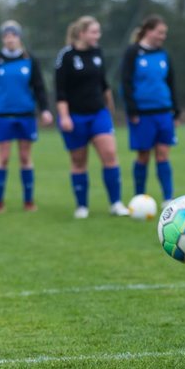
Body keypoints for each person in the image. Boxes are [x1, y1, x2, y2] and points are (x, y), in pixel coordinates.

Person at [55, 15, 128, 218]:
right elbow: (60, 91)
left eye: (98, 31)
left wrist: (110, 110)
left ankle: (116, 203)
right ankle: (82, 206)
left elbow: (104, 85)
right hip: (75, 116)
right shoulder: (66, 56)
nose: (98, 35)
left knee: (110, 155)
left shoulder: (97, 53)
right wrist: (65, 117)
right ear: (82, 33)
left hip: (98, 114)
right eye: (94, 32)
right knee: (79, 161)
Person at [0, 20, 53, 212]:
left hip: (26, 115)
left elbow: (39, 87)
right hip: (2, 115)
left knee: (25, 156)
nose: (10, 38)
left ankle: (28, 201)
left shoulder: (30, 59)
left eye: (14, 35)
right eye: (6, 35)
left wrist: (44, 109)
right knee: (3, 157)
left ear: (19, 37)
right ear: (2, 38)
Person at [120, 15, 180, 203]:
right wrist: (132, 110)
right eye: (160, 32)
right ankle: (139, 197)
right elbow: (126, 83)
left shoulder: (164, 54)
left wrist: (176, 110)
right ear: (148, 31)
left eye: (165, 33)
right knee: (143, 156)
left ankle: (168, 198)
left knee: (163, 154)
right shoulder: (133, 53)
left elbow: (171, 83)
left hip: (163, 112)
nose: (163, 36)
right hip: (142, 114)